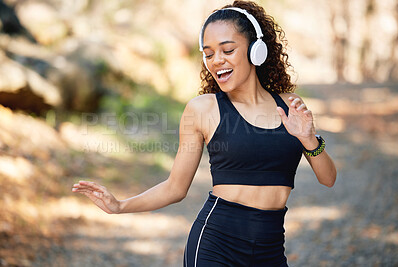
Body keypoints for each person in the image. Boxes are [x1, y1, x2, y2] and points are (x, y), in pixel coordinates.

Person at [72, 1, 337, 266]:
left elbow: (328, 179)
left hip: (269, 250)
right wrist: (120, 205)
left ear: (256, 50)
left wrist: (308, 138)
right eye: (208, 54)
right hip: (215, 246)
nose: (217, 60)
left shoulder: (290, 105)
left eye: (228, 50)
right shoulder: (203, 109)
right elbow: (175, 188)